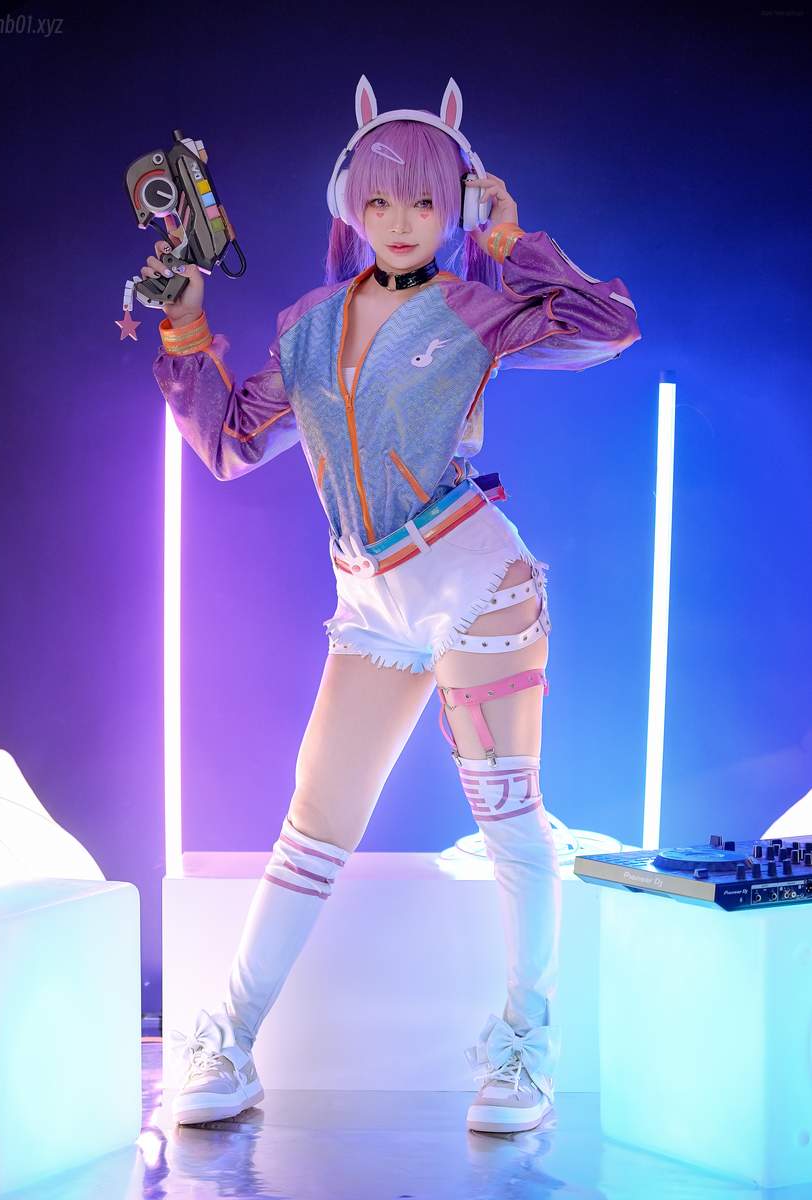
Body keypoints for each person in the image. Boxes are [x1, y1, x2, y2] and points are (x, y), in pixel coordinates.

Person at [151, 75, 641, 1135]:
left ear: (454, 200)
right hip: (368, 595)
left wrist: (510, 241)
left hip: (474, 580)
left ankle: (525, 1047)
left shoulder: (475, 308)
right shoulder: (307, 325)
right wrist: (187, 333)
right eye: (380, 200)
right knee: (310, 831)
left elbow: (608, 326)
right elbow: (231, 444)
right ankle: (227, 1040)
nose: (402, 220)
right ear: (351, 204)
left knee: (509, 821)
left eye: (425, 199)